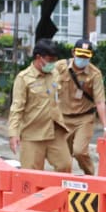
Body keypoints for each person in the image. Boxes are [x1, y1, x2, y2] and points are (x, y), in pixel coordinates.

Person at [8, 39, 71, 172]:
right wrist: (13, 134)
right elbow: (16, 108)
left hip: (54, 132)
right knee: (32, 175)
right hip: (33, 134)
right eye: (50, 60)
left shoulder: (54, 74)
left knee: (65, 165)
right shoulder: (23, 78)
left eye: (55, 60)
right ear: (38, 57)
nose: (53, 63)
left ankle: (56, 192)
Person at [52, 39, 106, 175]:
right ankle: (63, 183)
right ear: (73, 53)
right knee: (63, 158)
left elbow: (100, 101)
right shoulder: (60, 67)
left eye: (86, 56)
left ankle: (90, 176)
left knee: (79, 151)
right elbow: (47, 85)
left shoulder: (94, 74)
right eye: (80, 55)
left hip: (84, 119)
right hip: (63, 119)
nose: (83, 58)